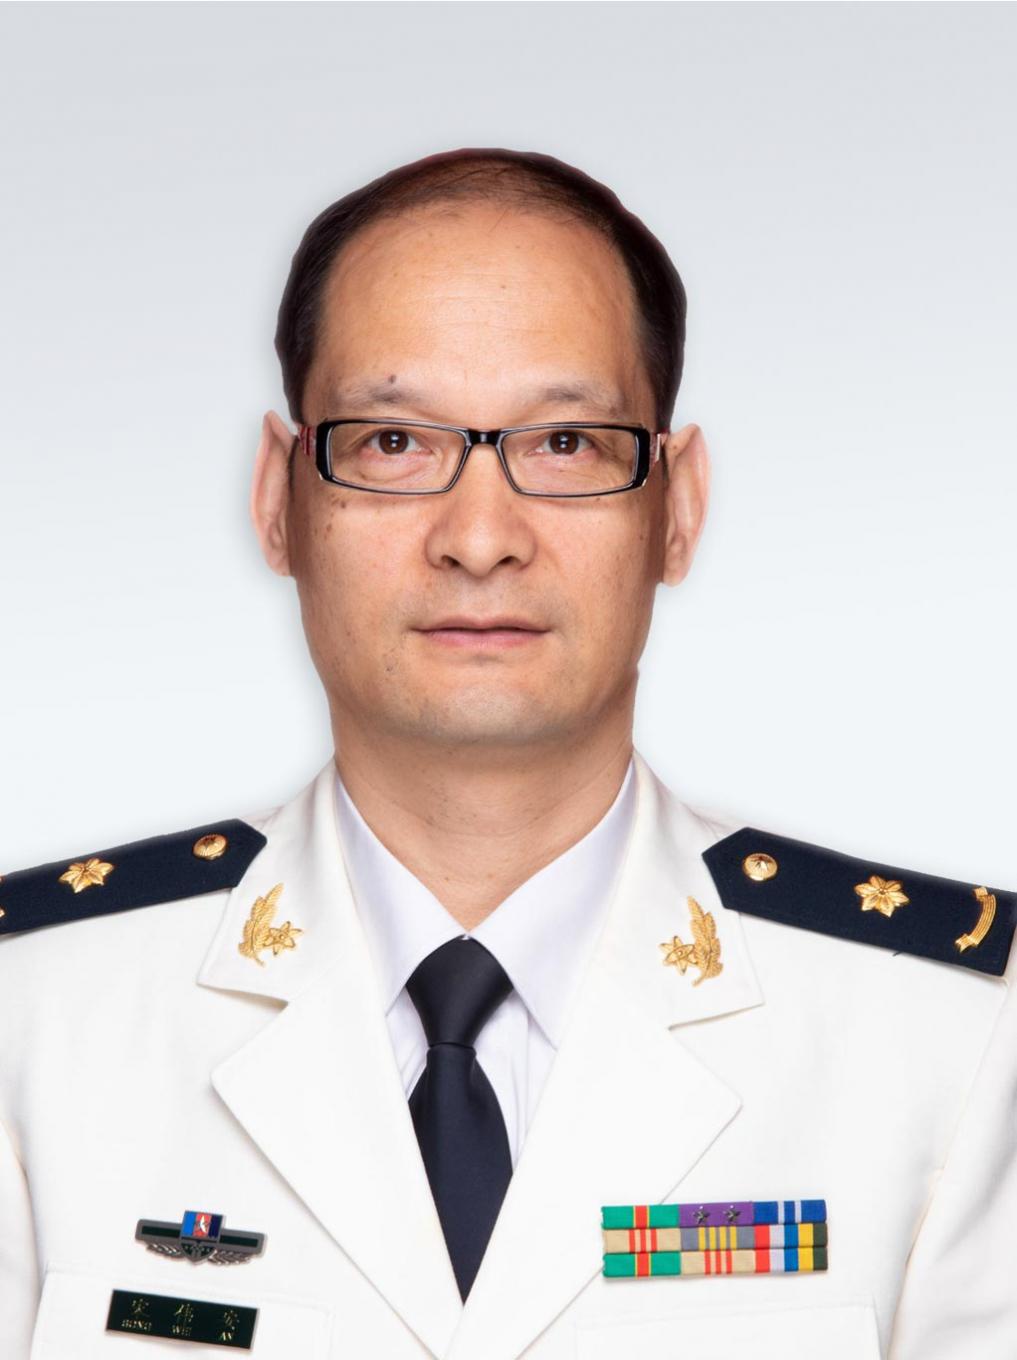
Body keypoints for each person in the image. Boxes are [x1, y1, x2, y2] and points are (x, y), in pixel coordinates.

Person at [0, 147, 1013, 1360]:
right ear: (277, 498)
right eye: (392, 441)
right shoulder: (35, 1017)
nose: (480, 538)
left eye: (567, 443)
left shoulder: (951, 1034)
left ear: (677, 507)